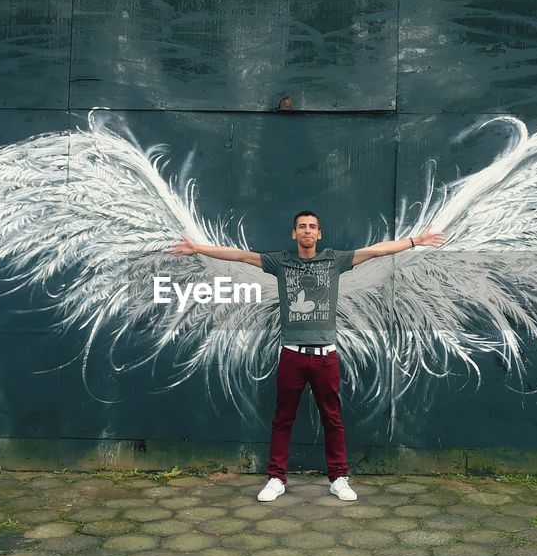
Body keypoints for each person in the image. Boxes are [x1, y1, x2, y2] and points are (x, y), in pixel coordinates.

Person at [171, 211, 445, 502]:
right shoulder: (280, 262)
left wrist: (417, 241)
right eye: (302, 226)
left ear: (319, 234)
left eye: (312, 227)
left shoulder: (334, 260)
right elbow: (239, 256)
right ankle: (276, 478)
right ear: (294, 233)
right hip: (291, 355)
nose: (307, 230)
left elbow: (377, 251)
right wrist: (198, 248)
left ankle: (339, 478)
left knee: (333, 419)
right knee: (282, 419)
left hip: (326, 357)